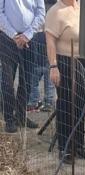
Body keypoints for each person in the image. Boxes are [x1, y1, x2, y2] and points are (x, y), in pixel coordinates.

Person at [45, 0, 85, 161]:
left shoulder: (82, 7)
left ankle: (78, 145)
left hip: (84, 62)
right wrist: (53, 66)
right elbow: (50, 41)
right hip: (65, 62)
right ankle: (65, 148)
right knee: (66, 105)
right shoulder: (55, 11)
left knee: (80, 105)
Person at [0, 0, 44, 133]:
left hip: (30, 39)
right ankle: (9, 119)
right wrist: (14, 35)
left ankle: (21, 116)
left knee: (27, 81)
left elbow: (41, 13)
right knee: (7, 81)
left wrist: (27, 35)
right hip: (7, 39)